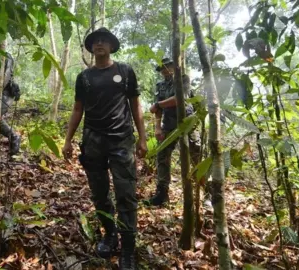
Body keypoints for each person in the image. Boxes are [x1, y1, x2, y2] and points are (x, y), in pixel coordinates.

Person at [62, 27, 147, 270]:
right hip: (93, 141)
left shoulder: (125, 71)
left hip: (121, 141)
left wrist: (143, 138)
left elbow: (135, 105)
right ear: (91, 48)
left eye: (104, 41)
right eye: (95, 41)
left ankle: (128, 250)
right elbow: (78, 109)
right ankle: (110, 235)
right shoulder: (85, 77)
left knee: (126, 194)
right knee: (99, 193)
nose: (99, 44)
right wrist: (68, 140)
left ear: (111, 46)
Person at [146, 58, 201, 206]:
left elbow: (179, 99)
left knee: (197, 155)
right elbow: (157, 110)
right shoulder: (160, 85)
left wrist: (158, 104)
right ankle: (162, 193)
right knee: (162, 154)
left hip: (188, 122)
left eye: (167, 66)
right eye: (161, 68)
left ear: (173, 66)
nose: (164, 70)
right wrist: (157, 127)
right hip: (169, 123)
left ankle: (208, 192)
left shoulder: (183, 78)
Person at [0, 54, 21, 156]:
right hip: (3, 92)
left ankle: (14, 137)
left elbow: (7, 74)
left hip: (6, 93)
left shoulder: (5, 55)